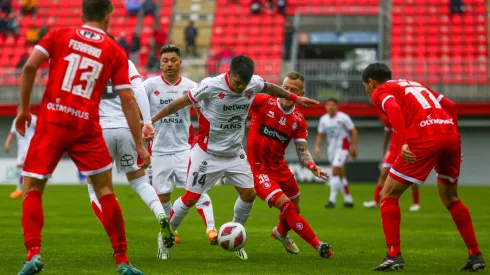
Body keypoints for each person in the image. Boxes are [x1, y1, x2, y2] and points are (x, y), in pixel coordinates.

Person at [15, 1, 149, 274]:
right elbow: (127, 98)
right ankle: (122, 261)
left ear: (81, 15)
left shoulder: (59, 34)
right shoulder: (114, 50)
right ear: (108, 17)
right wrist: (139, 145)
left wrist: (23, 109)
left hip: (52, 119)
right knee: (104, 190)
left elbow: (30, 67)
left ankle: (33, 254)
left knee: (33, 188)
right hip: (86, 125)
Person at [150, 55, 319, 260]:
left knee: (249, 194)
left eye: (244, 84)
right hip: (207, 152)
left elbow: (272, 89)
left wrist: (295, 98)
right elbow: (181, 102)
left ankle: (235, 235)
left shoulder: (253, 83)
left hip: (234, 153)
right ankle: (165, 235)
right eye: (237, 83)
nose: (240, 88)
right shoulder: (210, 86)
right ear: (229, 74)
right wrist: (153, 120)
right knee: (191, 198)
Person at [362, 63, 485, 272]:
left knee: (388, 194)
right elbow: (452, 107)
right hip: (450, 136)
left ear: (371, 82)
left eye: (365, 85)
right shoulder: (415, 84)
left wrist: (402, 141)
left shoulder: (380, 91)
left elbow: (391, 107)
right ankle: (475, 255)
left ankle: (394, 256)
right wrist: (455, 141)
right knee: (451, 198)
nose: (367, 89)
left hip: (424, 137)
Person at [86, 57, 175, 258]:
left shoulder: (89, 62)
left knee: (95, 189)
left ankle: (116, 236)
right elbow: (139, 92)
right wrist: (148, 121)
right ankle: (161, 214)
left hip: (100, 131)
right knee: (140, 181)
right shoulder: (124, 62)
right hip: (126, 129)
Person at [247, 72, 333, 258]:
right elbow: (240, 100)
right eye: (285, 88)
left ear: (300, 93)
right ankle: (319, 245)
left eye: (293, 90)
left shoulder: (298, 120)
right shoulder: (263, 102)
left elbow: (302, 150)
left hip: (280, 168)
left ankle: (281, 233)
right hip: (259, 169)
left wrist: (311, 166)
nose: (287, 92)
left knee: (295, 207)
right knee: (287, 207)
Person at [143, 44, 217, 259]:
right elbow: (138, 110)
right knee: (163, 195)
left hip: (184, 149)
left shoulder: (192, 86)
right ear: (160, 63)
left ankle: (211, 229)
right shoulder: (149, 86)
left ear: (180, 62)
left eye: (173, 60)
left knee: (196, 190)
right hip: (158, 151)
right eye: (165, 60)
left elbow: (204, 113)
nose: (169, 64)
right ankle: (171, 231)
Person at [363, 113, 420, 211]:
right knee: (383, 174)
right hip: (392, 151)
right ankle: (375, 201)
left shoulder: (409, 117)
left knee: (411, 177)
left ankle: (416, 203)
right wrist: (384, 150)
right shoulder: (390, 116)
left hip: (406, 150)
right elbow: (387, 133)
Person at [315, 98, 358, 208]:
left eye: (333, 105)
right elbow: (320, 135)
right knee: (340, 174)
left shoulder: (343, 117)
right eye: (328, 105)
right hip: (331, 150)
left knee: (334, 170)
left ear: (337, 107)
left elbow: (353, 131)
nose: (330, 107)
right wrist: (317, 147)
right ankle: (349, 200)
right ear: (326, 107)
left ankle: (331, 200)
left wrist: (353, 146)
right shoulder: (323, 120)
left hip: (343, 148)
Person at [4, 114, 37, 199]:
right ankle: (20, 190)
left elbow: (40, 130)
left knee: (29, 169)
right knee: (21, 168)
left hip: (31, 148)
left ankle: (28, 190)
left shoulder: (33, 118)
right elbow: (12, 133)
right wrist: (7, 143)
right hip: (21, 150)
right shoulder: (16, 120)